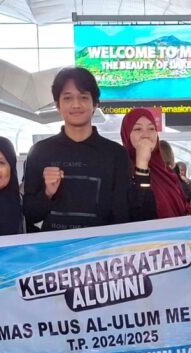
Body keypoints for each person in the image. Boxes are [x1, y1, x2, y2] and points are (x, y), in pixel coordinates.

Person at [22, 67, 155, 231]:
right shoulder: (40, 152)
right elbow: (30, 214)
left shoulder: (115, 154)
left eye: (83, 97)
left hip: (102, 246)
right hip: (55, 246)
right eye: (68, 98)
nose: (76, 104)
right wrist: (47, 193)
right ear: (58, 105)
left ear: (95, 104)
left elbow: (122, 214)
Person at [119, 110, 190, 219]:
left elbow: (182, 210)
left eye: (151, 129)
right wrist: (142, 164)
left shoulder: (167, 173)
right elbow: (137, 215)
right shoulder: (120, 172)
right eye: (138, 129)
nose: (146, 135)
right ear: (126, 135)